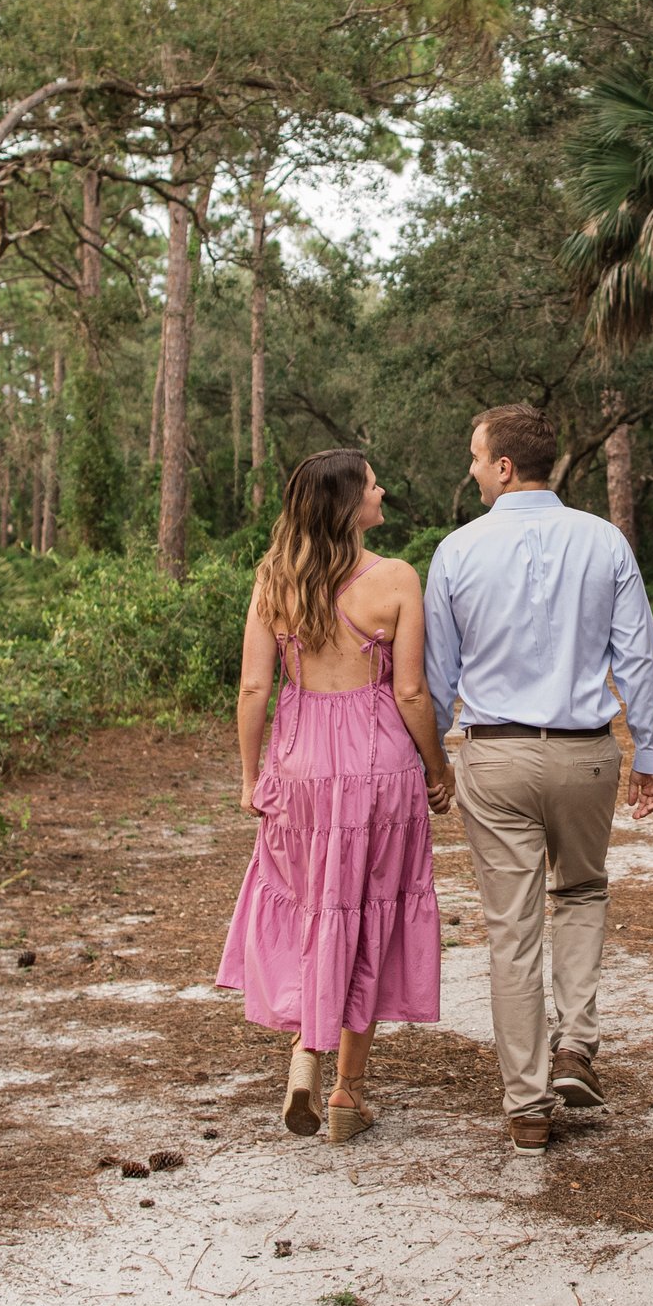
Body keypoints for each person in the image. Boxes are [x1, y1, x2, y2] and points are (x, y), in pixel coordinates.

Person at [423, 403, 653, 1156]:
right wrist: (650, 751)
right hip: (586, 751)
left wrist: (434, 761)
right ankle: (575, 1050)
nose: (470, 469)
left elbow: (436, 679)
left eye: (474, 456)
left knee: (512, 928)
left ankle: (527, 1105)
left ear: (503, 466)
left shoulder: (456, 551)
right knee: (584, 890)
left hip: (493, 758)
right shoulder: (604, 542)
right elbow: (638, 658)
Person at [217, 448, 454, 1145]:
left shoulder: (273, 581)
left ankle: (303, 1056)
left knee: (312, 906)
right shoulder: (397, 579)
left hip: (299, 762)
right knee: (369, 907)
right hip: (379, 763)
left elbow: (255, 687)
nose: (384, 488)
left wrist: (248, 774)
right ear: (350, 505)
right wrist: (437, 768)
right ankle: (348, 1089)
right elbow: (409, 690)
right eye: (374, 483)